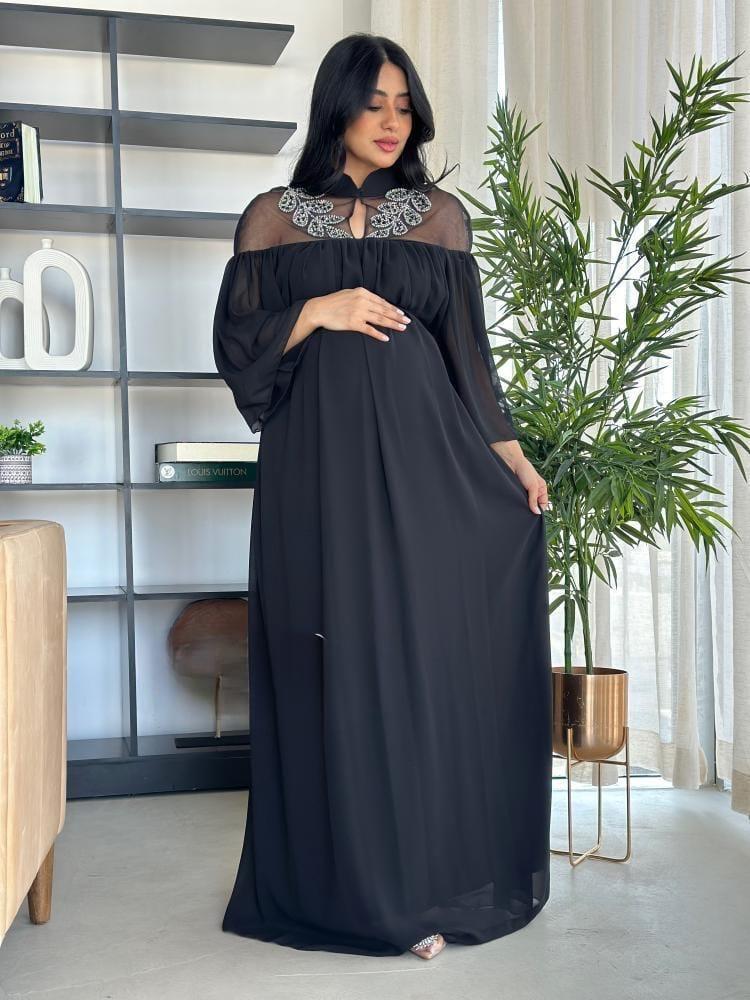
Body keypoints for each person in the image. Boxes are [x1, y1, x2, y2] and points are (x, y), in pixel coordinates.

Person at [213, 32, 552, 961]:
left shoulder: (439, 219)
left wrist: (514, 461)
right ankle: (347, 892)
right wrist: (316, 311)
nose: (392, 121)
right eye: (374, 103)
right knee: (330, 664)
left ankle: (416, 887)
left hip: (424, 468)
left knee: (412, 664)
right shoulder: (273, 220)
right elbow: (238, 348)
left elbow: (470, 363)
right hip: (314, 475)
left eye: (404, 104)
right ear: (338, 108)